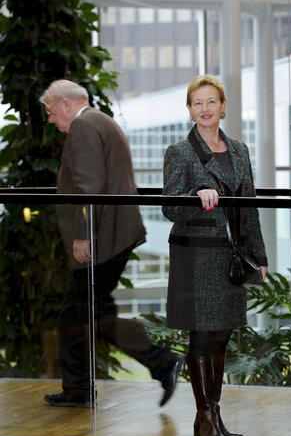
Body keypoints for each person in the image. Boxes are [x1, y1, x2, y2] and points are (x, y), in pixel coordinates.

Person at [39, 79, 183, 408]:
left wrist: (82, 235)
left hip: (102, 239)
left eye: (50, 111)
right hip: (113, 235)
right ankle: (80, 389)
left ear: (65, 103)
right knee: (84, 314)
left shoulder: (83, 126)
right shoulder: (101, 120)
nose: (50, 119)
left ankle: (160, 360)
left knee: (83, 316)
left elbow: (91, 187)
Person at [162, 75, 268, 436]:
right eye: (197, 103)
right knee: (202, 335)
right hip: (196, 254)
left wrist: (259, 255)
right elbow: (170, 207)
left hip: (231, 255)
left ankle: (213, 413)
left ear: (224, 106)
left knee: (221, 334)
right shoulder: (180, 152)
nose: (205, 109)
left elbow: (250, 208)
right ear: (189, 110)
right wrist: (195, 193)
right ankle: (205, 415)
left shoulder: (239, 150)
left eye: (211, 102)